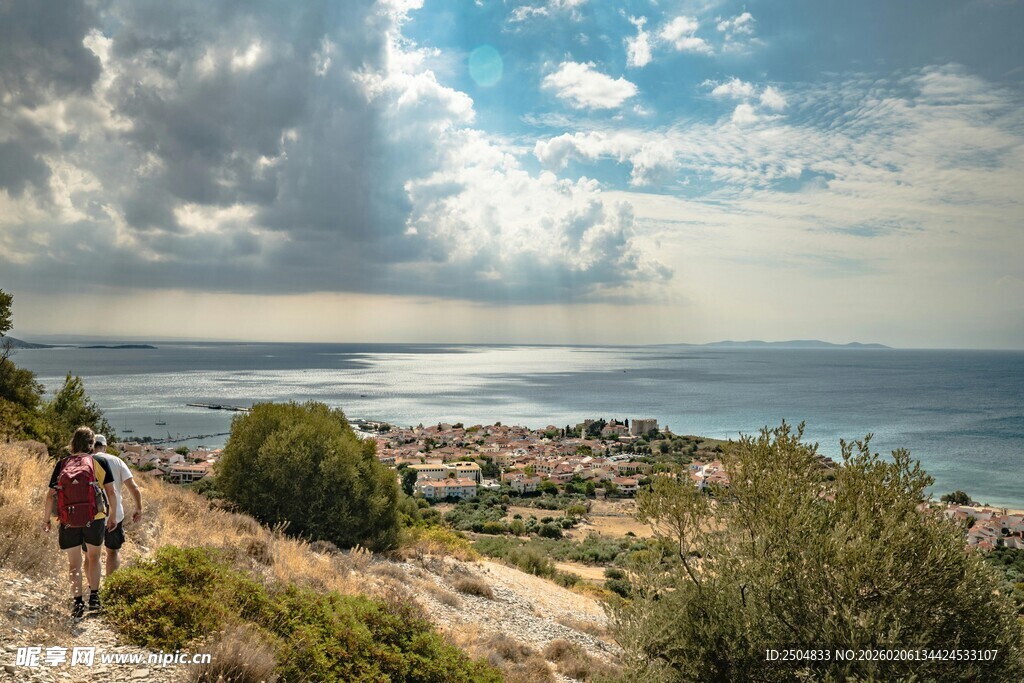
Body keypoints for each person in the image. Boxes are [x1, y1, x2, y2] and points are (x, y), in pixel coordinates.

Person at [42, 427, 117, 617]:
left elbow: (50, 495)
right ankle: (94, 597)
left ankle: (77, 603)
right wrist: (113, 516)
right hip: (95, 518)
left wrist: (46, 520)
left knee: (73, 563)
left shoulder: (62, 464)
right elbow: (111, 492)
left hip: (68, 519)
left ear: (73, 443)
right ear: (92, 444)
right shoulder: (98, 462)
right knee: (93, 557)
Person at [91, 434, 142, 575]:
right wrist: (138, 508)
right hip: (114, 514)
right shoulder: (117, 461)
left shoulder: (86, 461)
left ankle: (92, 589)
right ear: (105, 446)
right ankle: (110, 585)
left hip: (91, 515)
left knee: (91, 555)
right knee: (112, 551)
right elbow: (134, 488)